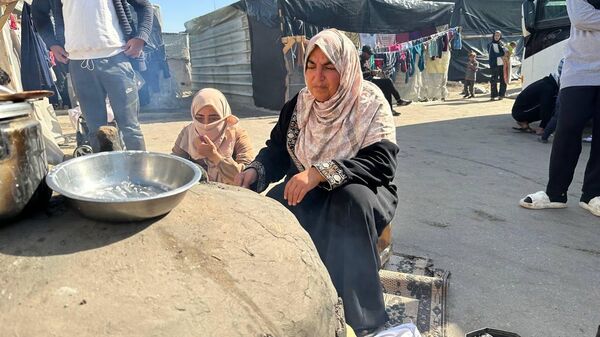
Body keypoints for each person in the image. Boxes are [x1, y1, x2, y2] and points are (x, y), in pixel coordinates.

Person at [235, 29, 399, 335]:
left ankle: (363, 320)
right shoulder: (299, 105)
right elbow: (278, 151)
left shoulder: (369, 101)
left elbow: (381, 163)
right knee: (273, 209)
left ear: (346, 67)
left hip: (362, 191)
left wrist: (320, 172)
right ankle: (286, 300)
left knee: (348, 201)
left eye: (329, 67)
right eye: (312, 66)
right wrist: (255, 171)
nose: (317, 77)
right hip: (308, 187)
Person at [31, 0, 153, 152]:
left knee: (130, 128)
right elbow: (38, 12)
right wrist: (52, 44)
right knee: (95, 131)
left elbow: (144, 6)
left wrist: (141, 37)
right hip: (78, 64)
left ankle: (137, 173)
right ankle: (105, 173)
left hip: (116, 58)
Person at [520, 0, 600, 217]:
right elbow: (581, 18)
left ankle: (593, 195)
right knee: (567, 130)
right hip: (580, 71)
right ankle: (555, 194)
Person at [172, 88, 254, 185]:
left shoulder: (237, 134)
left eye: (213, 118)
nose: (206, 124)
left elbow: (246, 176)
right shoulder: (187, 133)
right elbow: (174, 167)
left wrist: (214, 156)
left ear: (224, 115)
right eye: (199, 118)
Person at [511, 59, 564, 134]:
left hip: (520, 110)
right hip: (520, 112)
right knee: (553, 106)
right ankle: (535, 126)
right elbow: (546, 108)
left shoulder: (550, 82)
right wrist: (543, 126)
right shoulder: (549, 88)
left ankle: (524, 122)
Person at [360, 45, 411, 116]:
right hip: (365, 83)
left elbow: (368, 73)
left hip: (370, 81)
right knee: (388, 81)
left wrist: (375, 72)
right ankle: (399, 100)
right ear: (364, 53)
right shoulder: (358, 61)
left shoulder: (366, 61)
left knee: (387, 88)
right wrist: (371, 72)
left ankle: (390, 110)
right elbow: (359, 74)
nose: (369, 57)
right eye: (369, 54)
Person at [487, 30, 507, 100]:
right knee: (493, 80)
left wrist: (507, 53)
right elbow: (492, 54)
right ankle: (493, 95)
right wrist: (501, 55)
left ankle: (501, 95)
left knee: (503, 80)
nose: (496, 37)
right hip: (494, 65)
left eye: (498, 35)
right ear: (493, 36)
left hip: (502, 64)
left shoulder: (502, 44)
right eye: (495, 35)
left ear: (500, 36)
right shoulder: (490, 45)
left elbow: (506, 52)